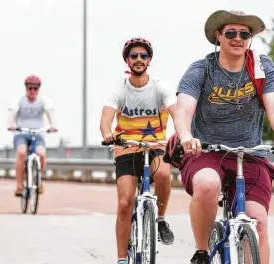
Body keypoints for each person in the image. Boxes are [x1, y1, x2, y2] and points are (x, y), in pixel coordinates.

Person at [164, 10, 274, 264]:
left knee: (257, 223)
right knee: (207, 185)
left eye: (244, 33)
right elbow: (183, 109)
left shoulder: (262, 68)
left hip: (250, 154)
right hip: (206, 152)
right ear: (218, 36)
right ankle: (202, 251)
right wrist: (186, 136)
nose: (238, 38)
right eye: (231, 33)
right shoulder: (202, 69)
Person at [99, 37, 180, 264]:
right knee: (125, 203)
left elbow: (176, 112)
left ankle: (161, 219)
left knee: (164, 174)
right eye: (133, 56)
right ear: (127, 60)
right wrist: (107, 133)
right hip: (126, 149)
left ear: (149, 61)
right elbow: (105, 119)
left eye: (143, 56)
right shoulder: (119, 90)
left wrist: (183, 134)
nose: (138, 59)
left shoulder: (160, 87)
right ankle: (122, 258)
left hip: (155, 147)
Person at [7, 75, 57, 197]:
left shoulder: (43, 100)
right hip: (21, 133)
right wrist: (11, 125)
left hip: (38, 133)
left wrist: (52, 125)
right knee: (21, 152)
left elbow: (49, 112)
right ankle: (19, 185)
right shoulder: (19, 100)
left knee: (42, 154)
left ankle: (38, 180)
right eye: (30, 88)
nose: (32, 91)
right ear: (26, 88)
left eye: (35, 88)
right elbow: (13, 113)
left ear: (38, 89)